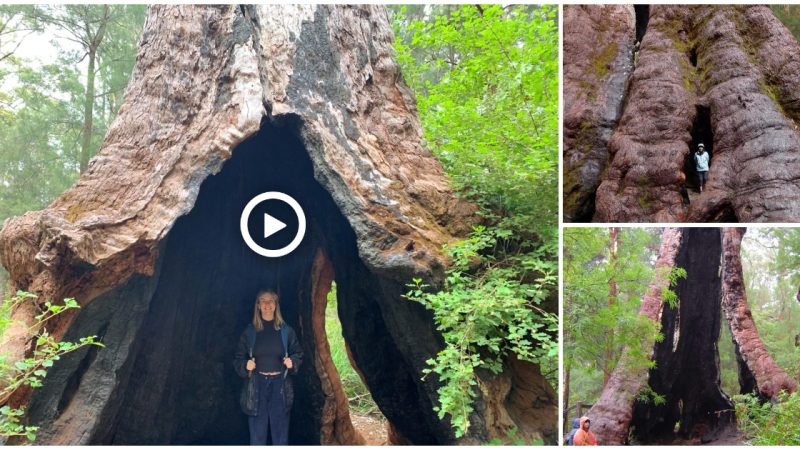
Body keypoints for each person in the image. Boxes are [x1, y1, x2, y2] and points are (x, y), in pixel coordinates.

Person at [234, 290, 303, 445]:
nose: (267, 304)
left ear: (276, 305)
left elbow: (298, 353)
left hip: (280, 384)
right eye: (263, 301)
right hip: (257, 385)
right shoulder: (250, 332)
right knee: (257, 436)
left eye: (271, 300)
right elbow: (238, 358)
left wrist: (293, 362)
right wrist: (246, 365)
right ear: (258, 305)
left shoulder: (286, 331)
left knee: (280, 436)